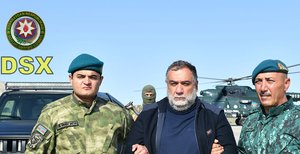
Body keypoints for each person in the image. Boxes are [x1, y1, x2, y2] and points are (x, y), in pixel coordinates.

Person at [25, 53, 133, 153]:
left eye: (93, 77)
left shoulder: (118, 113)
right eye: (80, 76)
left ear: (100, 80)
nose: (86, 82)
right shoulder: (52, 112)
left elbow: (136, 146)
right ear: (70, 78)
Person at [124, 60, 237, 154]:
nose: (179, 90)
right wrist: (139, 151)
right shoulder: (149, 115)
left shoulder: (214, 116)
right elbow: (128, 149)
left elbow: (230, 151)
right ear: (167, 85)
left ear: (196, 86)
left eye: (185, 83)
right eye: (173, 83)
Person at [237, 59, 300, 153]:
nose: (263, 88)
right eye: (258, 81)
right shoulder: (250, 121)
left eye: (270, 81)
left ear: (286, 84)